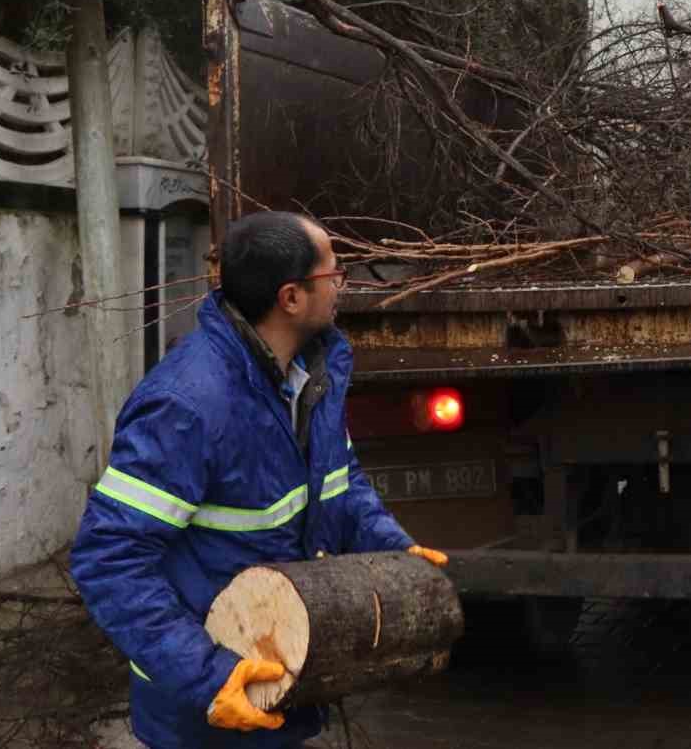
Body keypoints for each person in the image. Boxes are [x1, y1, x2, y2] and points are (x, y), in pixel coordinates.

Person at [70, 211, 447, 749]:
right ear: (290, 298)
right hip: (206, 706)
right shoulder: (188, 405)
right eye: (332, 275)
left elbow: (340, 484)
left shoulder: (311, 374)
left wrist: (394, 552)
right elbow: (107, 559)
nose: (342, 286)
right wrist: (209, 676)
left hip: (278, 677)